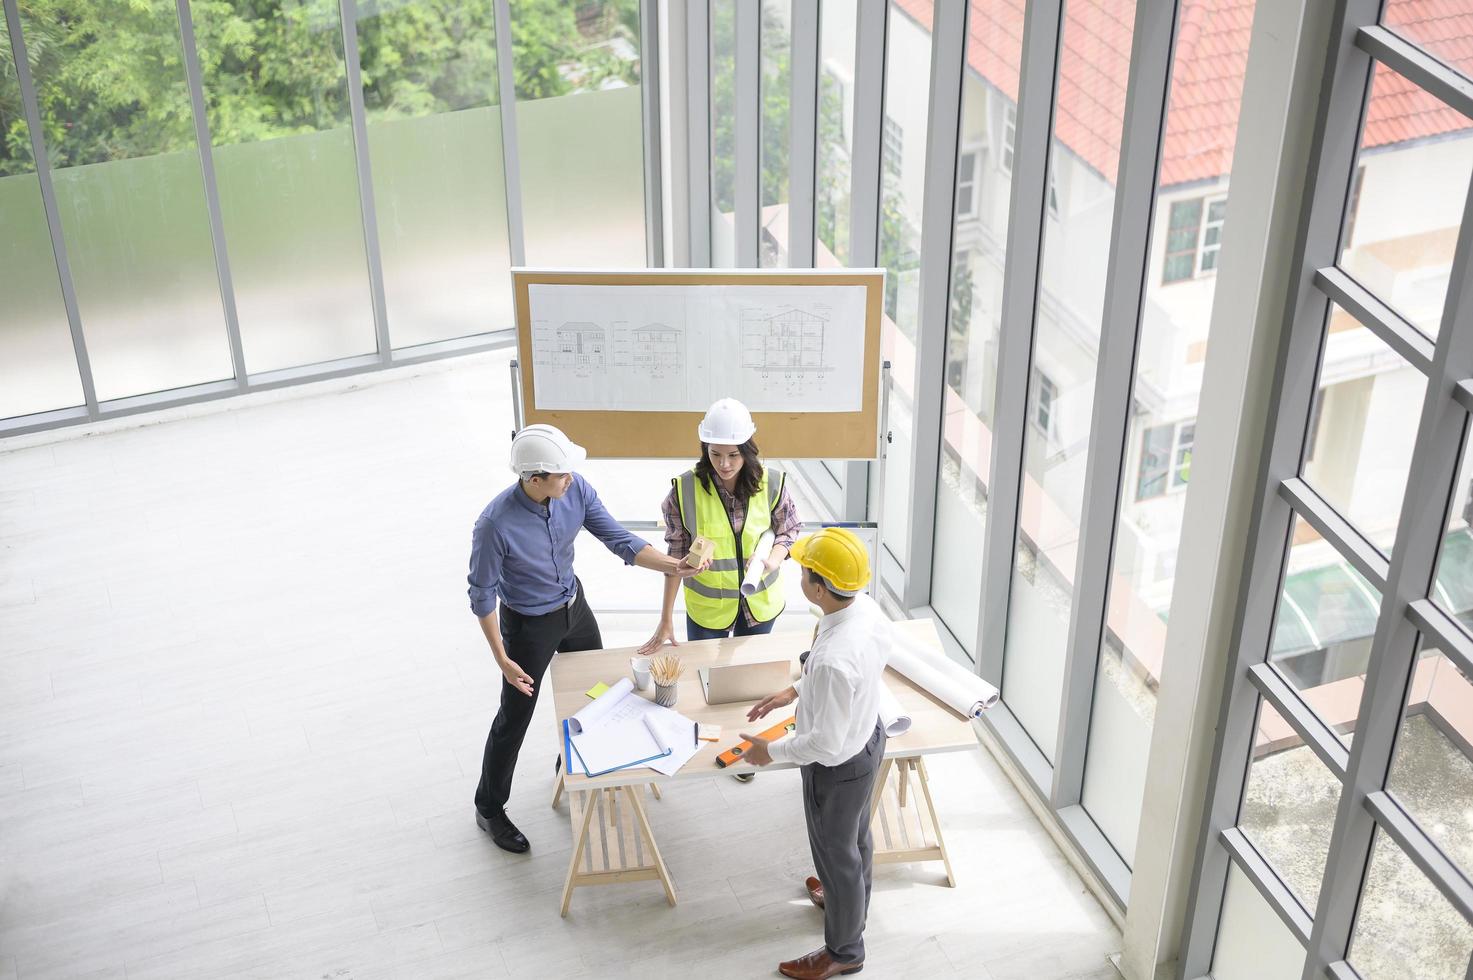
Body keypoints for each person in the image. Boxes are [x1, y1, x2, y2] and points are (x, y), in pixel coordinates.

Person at [467, 424, 702, 853]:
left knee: (597, 695)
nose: (570, 479)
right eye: (561, 475)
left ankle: (573, 764)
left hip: (574, 608)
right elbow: (481, 596)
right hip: (527, 625)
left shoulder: (574, 489)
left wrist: (674, 566)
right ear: (533, 479)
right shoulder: (494, 525)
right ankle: (488, 807)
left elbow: (619, 539)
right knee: (514, 717)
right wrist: (502, 657)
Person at [741, 527, 889, 980]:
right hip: (868, 742)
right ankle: (847, 901)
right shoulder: (867, 609)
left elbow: (824, 743)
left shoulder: (830, 659)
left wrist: (773, 752)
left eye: (805, 572)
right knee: (853, 840)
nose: (799, 575)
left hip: (837, 766)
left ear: (820, 588)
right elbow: (848, 678)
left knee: (834, 850)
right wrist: (796, 691)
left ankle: (844, 950)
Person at [639, 397, 801, 653]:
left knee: (748, 676)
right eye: (715, 454)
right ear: (706, 449)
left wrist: (775, 559)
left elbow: (788, 529)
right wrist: (666, 618)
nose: (724, 464)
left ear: (747, 450)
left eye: (734, 455)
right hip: (708, 612)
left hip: (759, 605)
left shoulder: (771, 483)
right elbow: (675, 557)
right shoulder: (684, 492)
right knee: (705, 679)